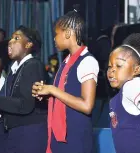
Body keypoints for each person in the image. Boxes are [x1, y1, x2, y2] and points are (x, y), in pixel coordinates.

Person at [32, 10, 99, 153]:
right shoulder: (66, 62)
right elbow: (64, 96)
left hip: (75, 139)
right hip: (59, 137)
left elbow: (87, 105)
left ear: (68, 33)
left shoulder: (87, 61)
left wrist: (52, 90)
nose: (54, 39)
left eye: (56, 34)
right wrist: (47, 95)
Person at [0, 25, 48, 153]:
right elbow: (9, 99)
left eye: (16, 38)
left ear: (28, 45)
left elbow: (25, 105)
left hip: (29, 135)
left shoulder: (32, 65)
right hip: (16, 133)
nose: (10, 41)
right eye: (11, 38)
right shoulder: (14, 70)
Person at [107, 33, 140, 153]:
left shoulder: (131, 86)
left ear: (136, 70)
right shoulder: (117, 98)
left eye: (119, 66)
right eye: (110, 66)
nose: (112, 70)